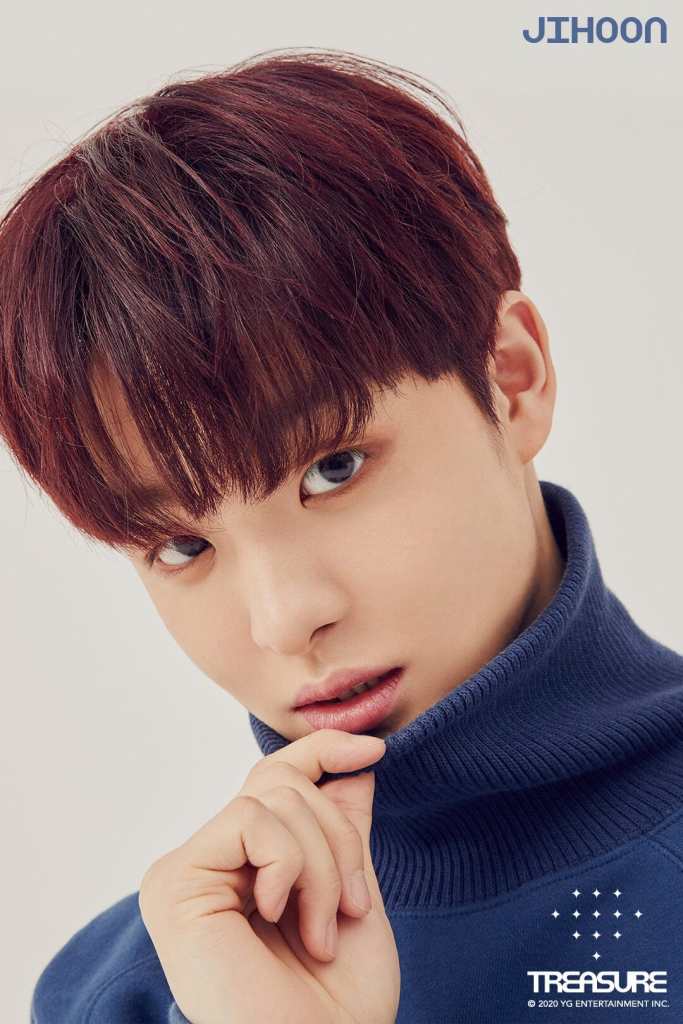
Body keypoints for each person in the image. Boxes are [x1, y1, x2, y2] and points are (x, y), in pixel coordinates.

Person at [2, 47, 681, 1024]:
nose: (285, 619)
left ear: (511, 377)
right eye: (181, 547)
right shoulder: (137, 993)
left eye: (333, 468)